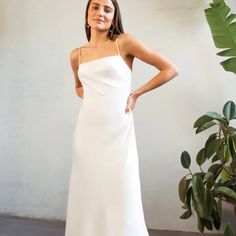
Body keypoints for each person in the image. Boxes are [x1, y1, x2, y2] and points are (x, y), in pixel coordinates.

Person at [65, 0, 179, 236]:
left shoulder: (123, 43)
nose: (100, 13)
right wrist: (94, 99)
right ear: (87, 12)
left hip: (117, 129)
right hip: (87, 131)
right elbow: (78, 87)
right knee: (88, 190)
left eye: (107, 9)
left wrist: (135, 93)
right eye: (95, 7)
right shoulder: (76, 55)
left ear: (114, 16)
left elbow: (169, 69)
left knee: (120, 191)